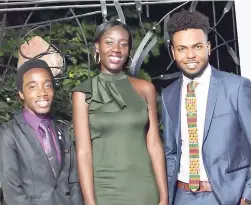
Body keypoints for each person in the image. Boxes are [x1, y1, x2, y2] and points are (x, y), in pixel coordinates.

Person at [72, 20, 168, 205]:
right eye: (109, 42)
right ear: (97, 47)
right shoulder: (83, 93)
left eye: (123, 44)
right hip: (105, 191)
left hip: (145, 189)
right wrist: (90, 202)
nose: (116, 48)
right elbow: (83, 152)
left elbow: (155, 145)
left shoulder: (145, 89)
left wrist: (164, 197)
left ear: (128, 51)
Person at [161, 9, 251, 205]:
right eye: (182, 48)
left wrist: (247, 197)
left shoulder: (237, 88)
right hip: (182, 197)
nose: (190, 55)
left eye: (197, 46)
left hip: (227, 197)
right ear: (173, 51)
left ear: (208, 47)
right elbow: (171, 153)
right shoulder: (168, 95)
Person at [0, 59, 83, 205]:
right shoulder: (8, 134)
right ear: (21, 93)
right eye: (33, 87)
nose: (42, 93)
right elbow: (12, 192)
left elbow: (74, 181)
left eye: (48, 85)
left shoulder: (63, 130)